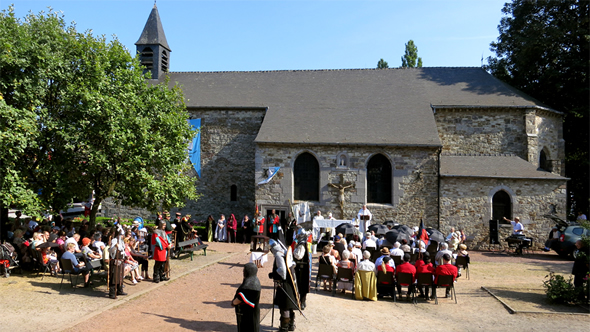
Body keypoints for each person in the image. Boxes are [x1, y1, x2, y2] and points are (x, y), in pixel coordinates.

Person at [268, 239, 299, 332]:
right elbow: (293, 264)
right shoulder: (285, 252)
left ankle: (284, 328)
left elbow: (282, 271)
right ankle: (291, 325)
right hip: (291, 282)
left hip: (284, 284)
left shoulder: (278, 254)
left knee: (284, 306)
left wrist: (273, 275)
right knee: (289, 305)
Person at [232, 263, 261, 332]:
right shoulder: (255, 280)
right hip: (253, 311)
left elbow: (240, 299)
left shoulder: (249, 286)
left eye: (244, 270)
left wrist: (233, 303)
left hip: (248, 314)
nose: (243, 272)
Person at [108, 224, 127, 299]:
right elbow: (110, 251)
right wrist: (115, 247)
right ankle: (112, 293)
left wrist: (125, 255)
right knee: (114, 277)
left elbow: (122, 250)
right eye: (121, 234)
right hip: (115, 261)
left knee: (120, 276)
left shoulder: (121, 241)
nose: (122, 235)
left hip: (121, 260)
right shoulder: (114, 240)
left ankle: (119, 290)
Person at [293, 232, 311, 309]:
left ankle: (302, 302)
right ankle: (302, 302)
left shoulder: (302, 245)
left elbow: (298, 256)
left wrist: (293, 251)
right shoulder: (306, 244)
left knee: (301, 285)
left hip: (301, 268)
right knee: (302, 285)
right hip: (304, 268)